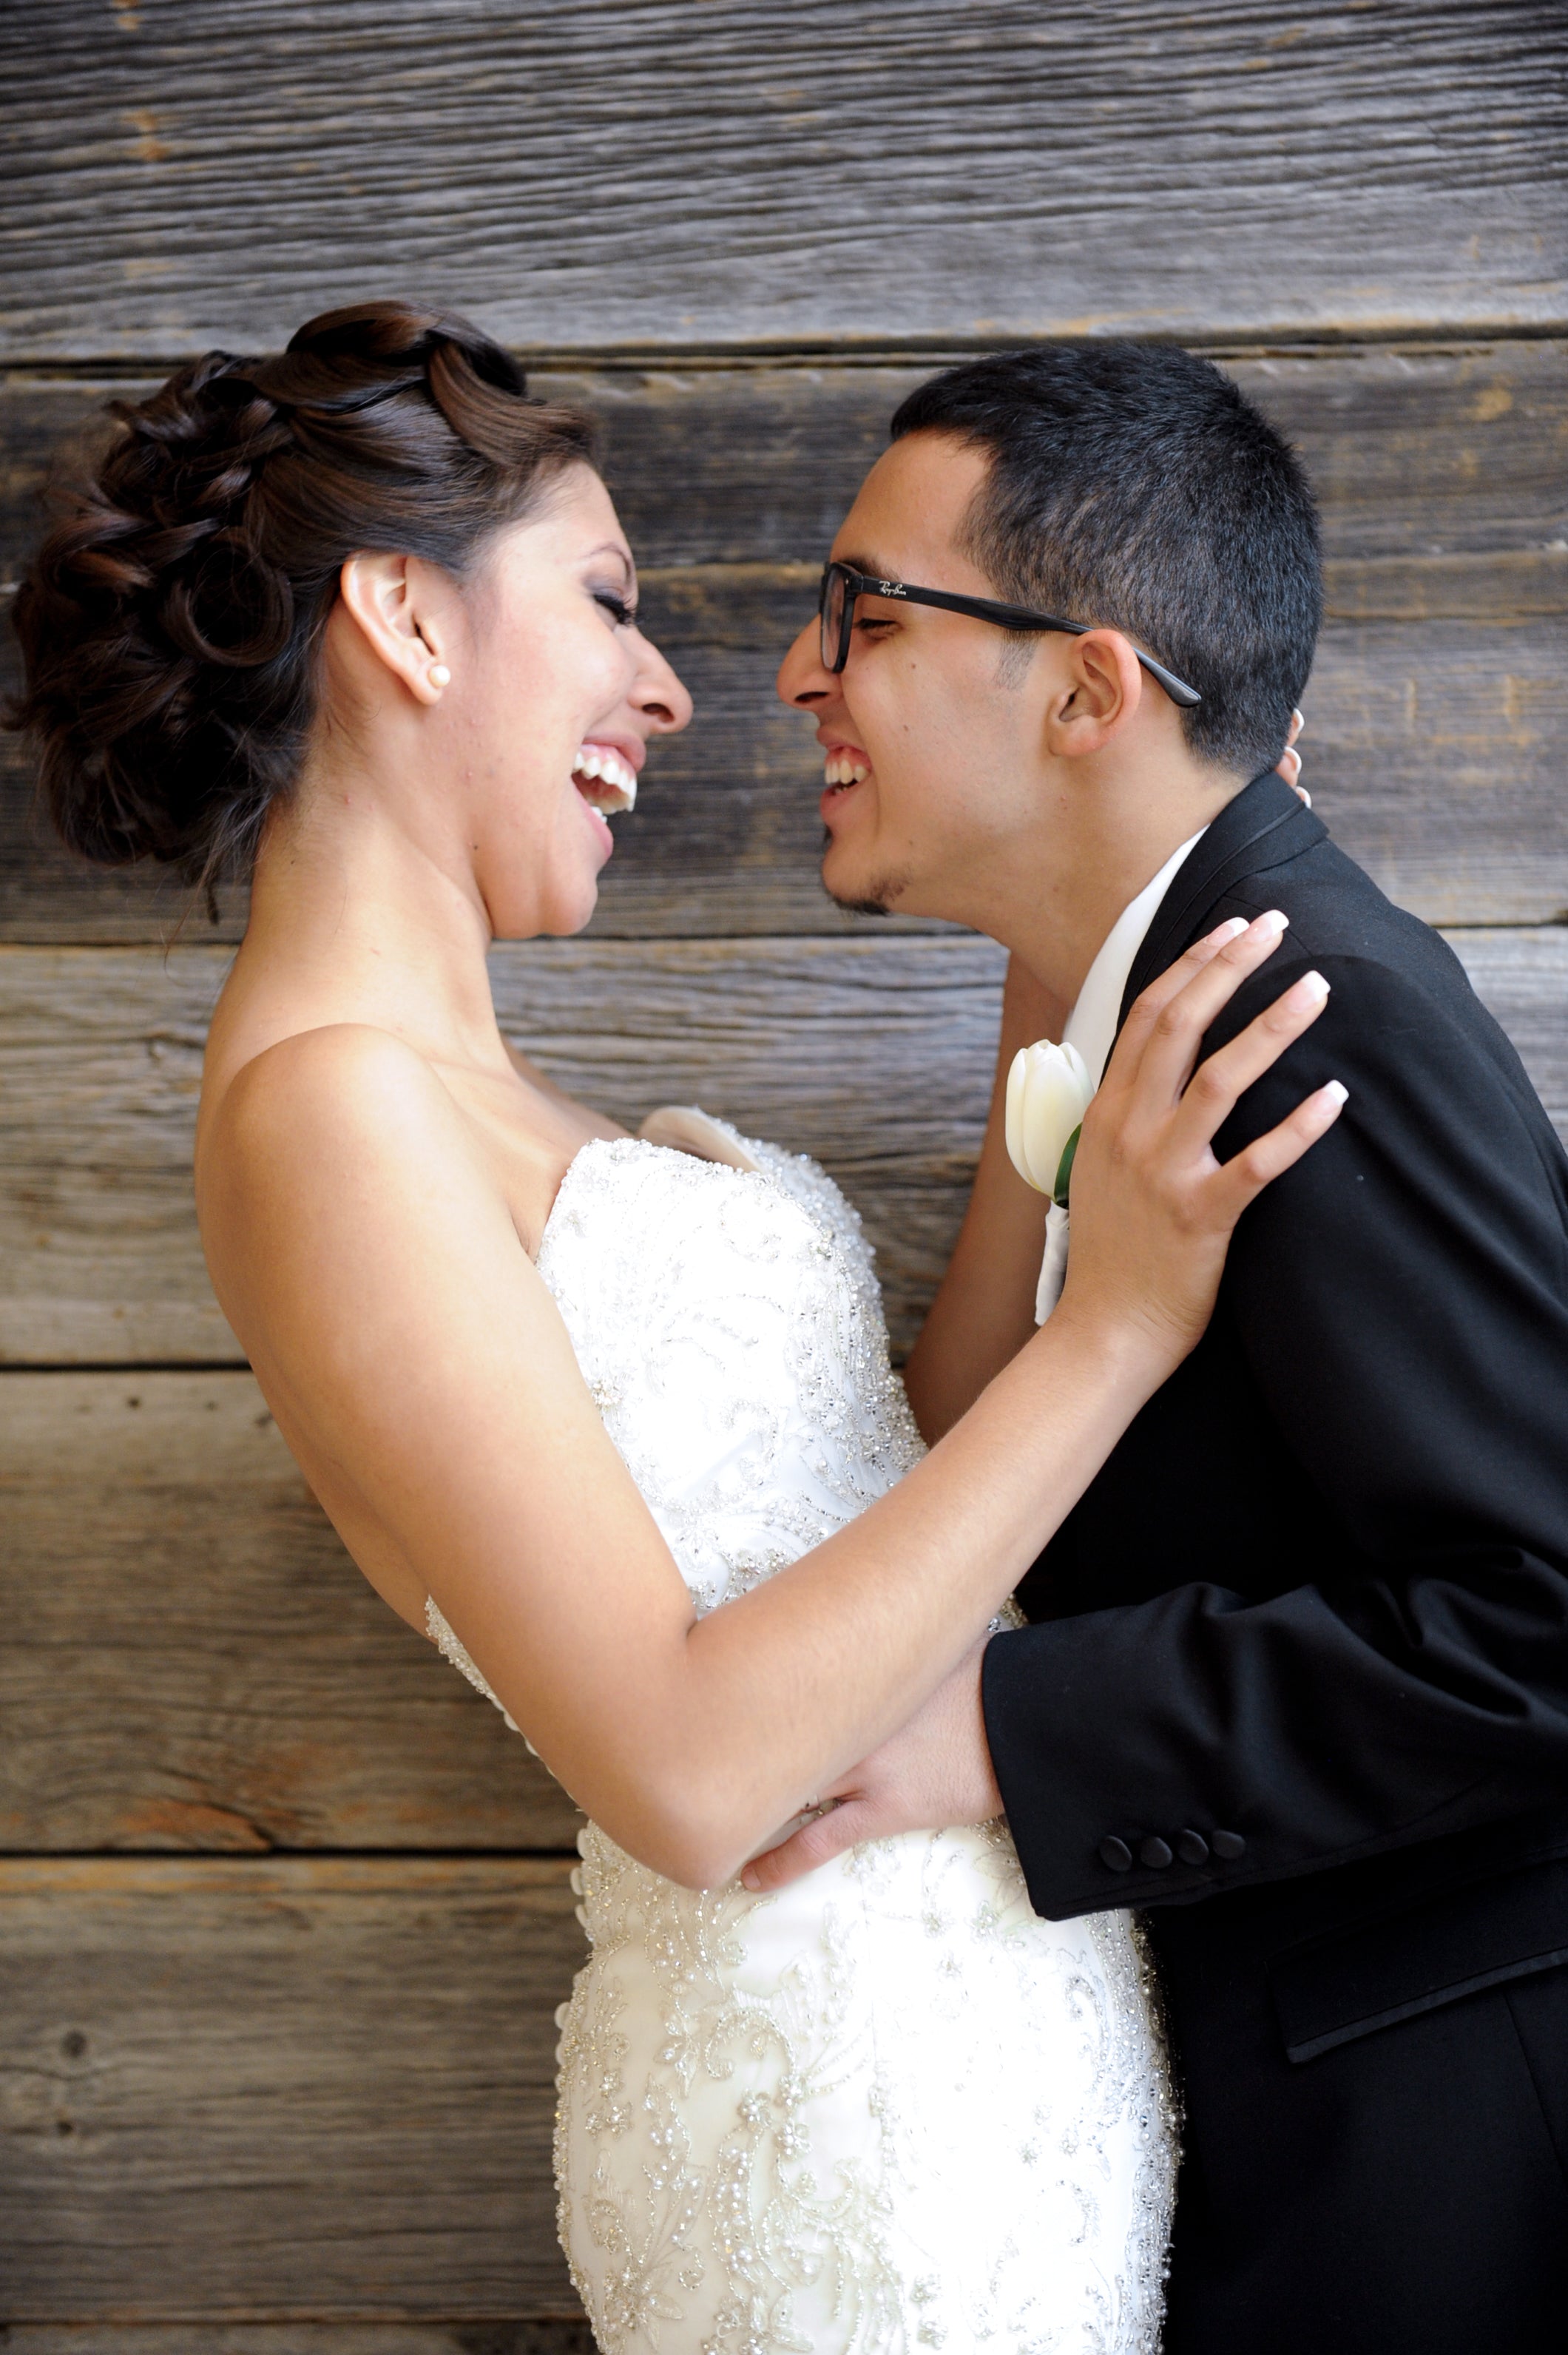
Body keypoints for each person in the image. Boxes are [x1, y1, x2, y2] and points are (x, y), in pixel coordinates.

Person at [7, 302, 1343, 2355]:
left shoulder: (468, 1101)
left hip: (980, 2051)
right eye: (610, 605)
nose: (670, 692)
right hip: (818, 2129)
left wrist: (1064, 968)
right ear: (409, 622)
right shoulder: (328, 1110)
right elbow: (698, 1766)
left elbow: (887, 1508)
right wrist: (1127, 1330)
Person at [765, 341, 1568, 2354]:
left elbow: (1545, 1611)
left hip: (1443, 2143)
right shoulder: (1153, 1005)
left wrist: (1005, 1735)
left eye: (863, 611)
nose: (800, 671)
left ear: (1088, 690)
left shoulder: (1318, 1013)